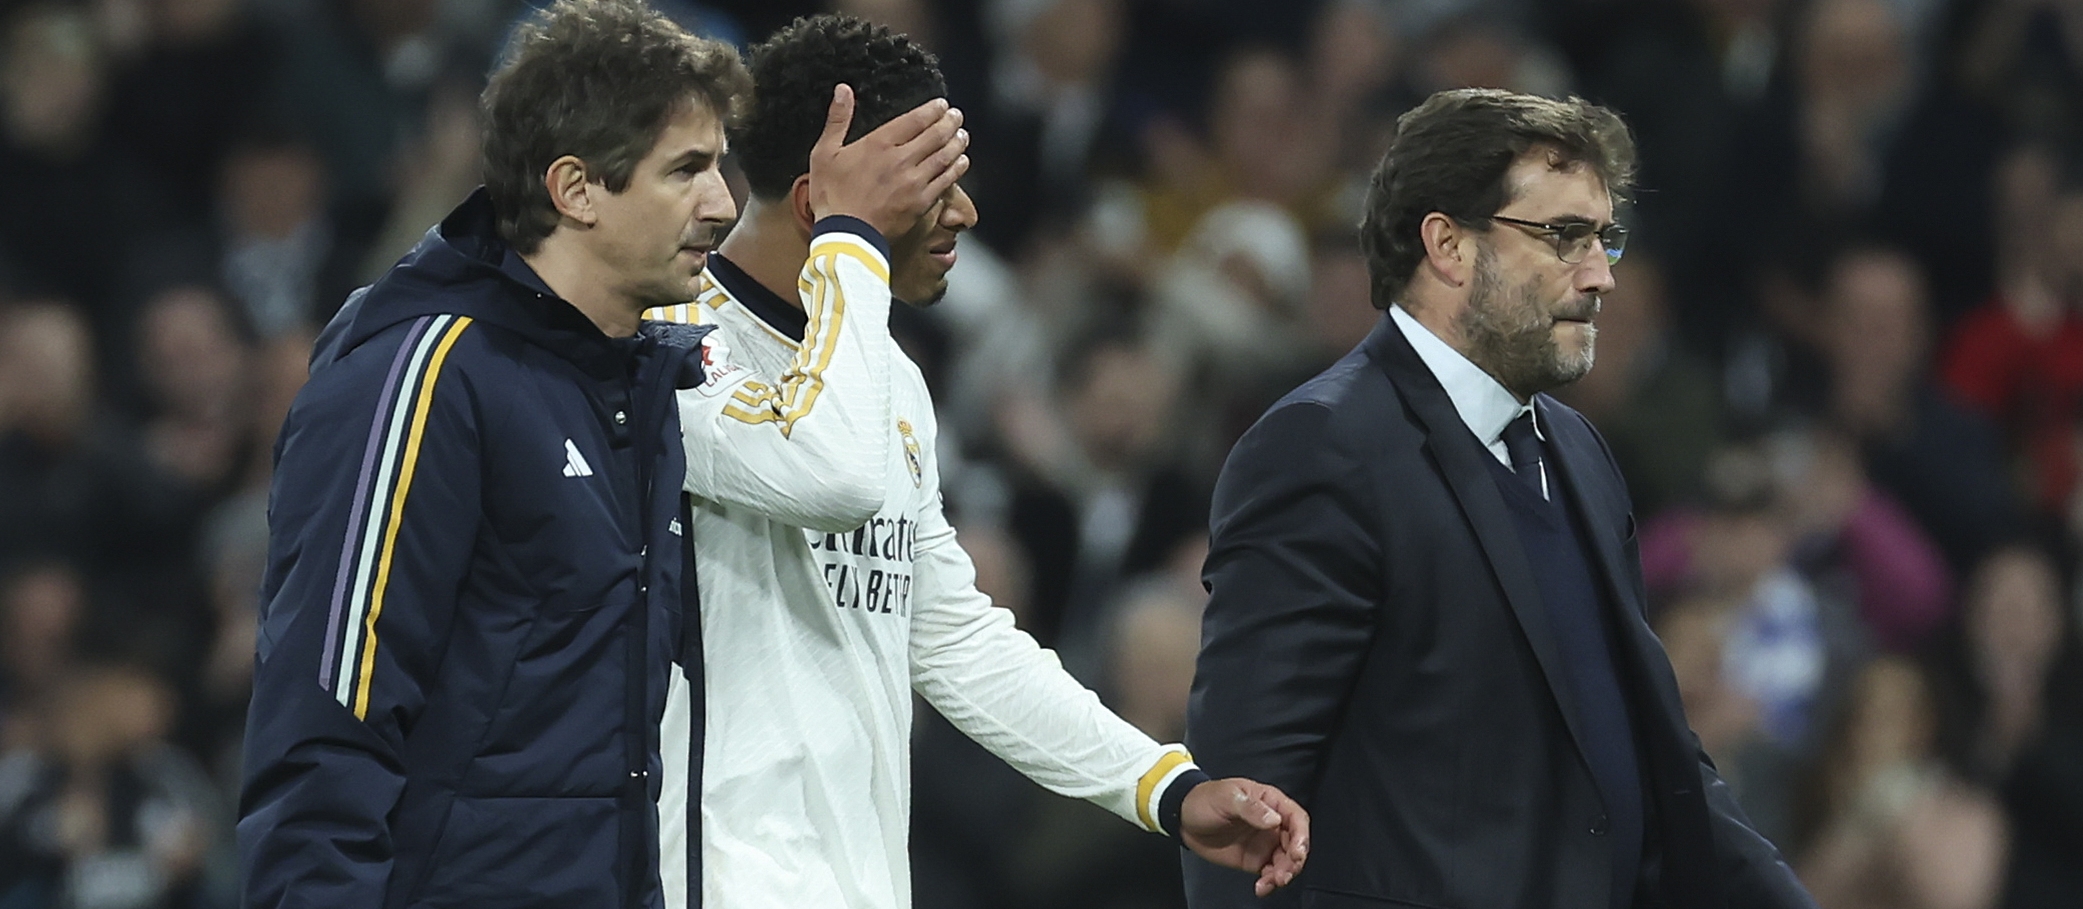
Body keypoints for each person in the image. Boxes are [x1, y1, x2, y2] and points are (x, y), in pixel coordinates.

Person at [236, 0, 969, 905]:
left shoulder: (644, 389)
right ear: (577, 189)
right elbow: (327, 724)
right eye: (688, 171)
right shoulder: (427, 372)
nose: (724, 203)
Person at [645, 15, 1309, 909]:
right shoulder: (671, 348)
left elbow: (953, 636)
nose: (966, 213)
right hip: (704, 880)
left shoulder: (888, 378)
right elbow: (832, 476)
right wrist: (850, 241)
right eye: (930, 186)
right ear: (821, 203)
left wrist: (1163, 785)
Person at [1183, 88, 1816, 909]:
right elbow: (1245, 804)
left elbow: (1657, 765)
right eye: (1564, 236)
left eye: (1604, 239)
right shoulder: (1320, 448)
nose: (1599, 277)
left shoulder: (1579, 452)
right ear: (1447, 244)